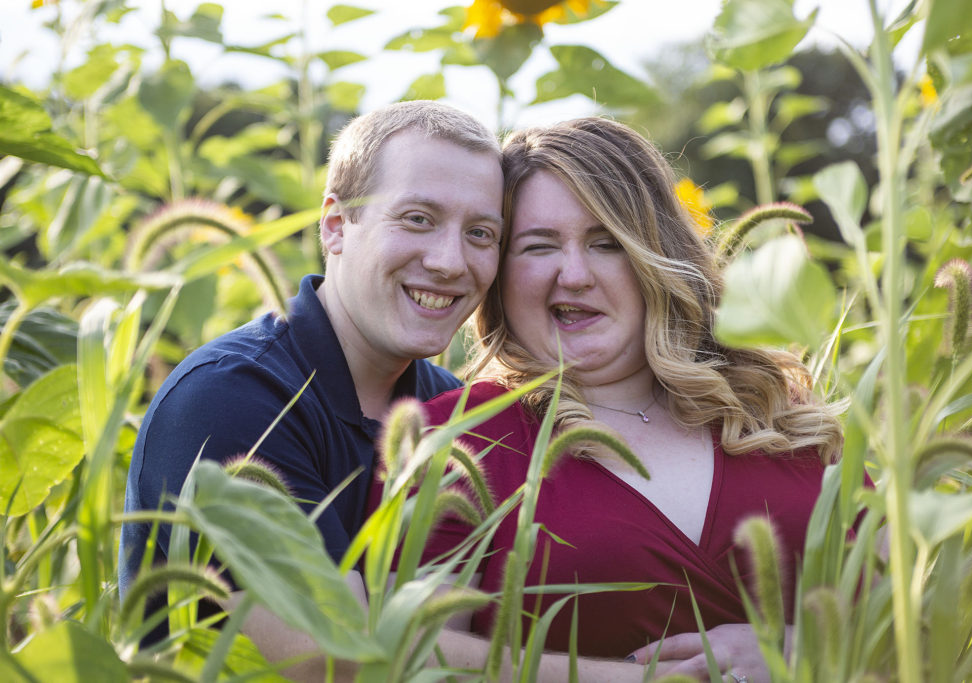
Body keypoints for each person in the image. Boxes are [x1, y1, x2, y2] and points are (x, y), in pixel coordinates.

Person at [390, 116, 846, 682]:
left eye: (606, 243)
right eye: (538, 246)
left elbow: (917, 613)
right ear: (499, 275)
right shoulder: (461, 442)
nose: (574, 274)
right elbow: (413, 653)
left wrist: (811, 645)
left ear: (655, 254)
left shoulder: (778, 414)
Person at [118, 100, 503, 668]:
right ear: (335, 225)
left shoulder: (451, 410)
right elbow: (334, 662)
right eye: (417, 218)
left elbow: (443, 632)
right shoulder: (230, 396)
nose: (449, 261)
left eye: (480, 232)